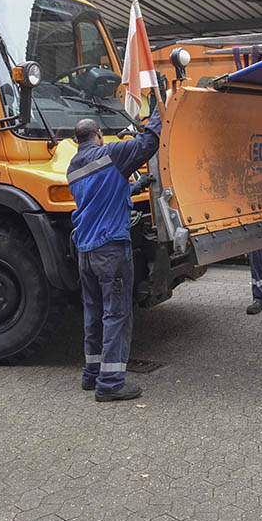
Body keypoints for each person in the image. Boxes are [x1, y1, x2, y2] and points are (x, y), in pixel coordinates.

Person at [67, 104, 161, 402]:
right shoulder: (110, 154)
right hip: (111, 249)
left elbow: (100, 194)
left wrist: (135, 186)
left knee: (94, 313)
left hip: (86, 250)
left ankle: (91, 374)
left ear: (77, 140)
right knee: (116, 314)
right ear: (98, 135)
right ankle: (110, 383)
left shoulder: (73, 167)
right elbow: (149, 143)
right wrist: (159, 107)